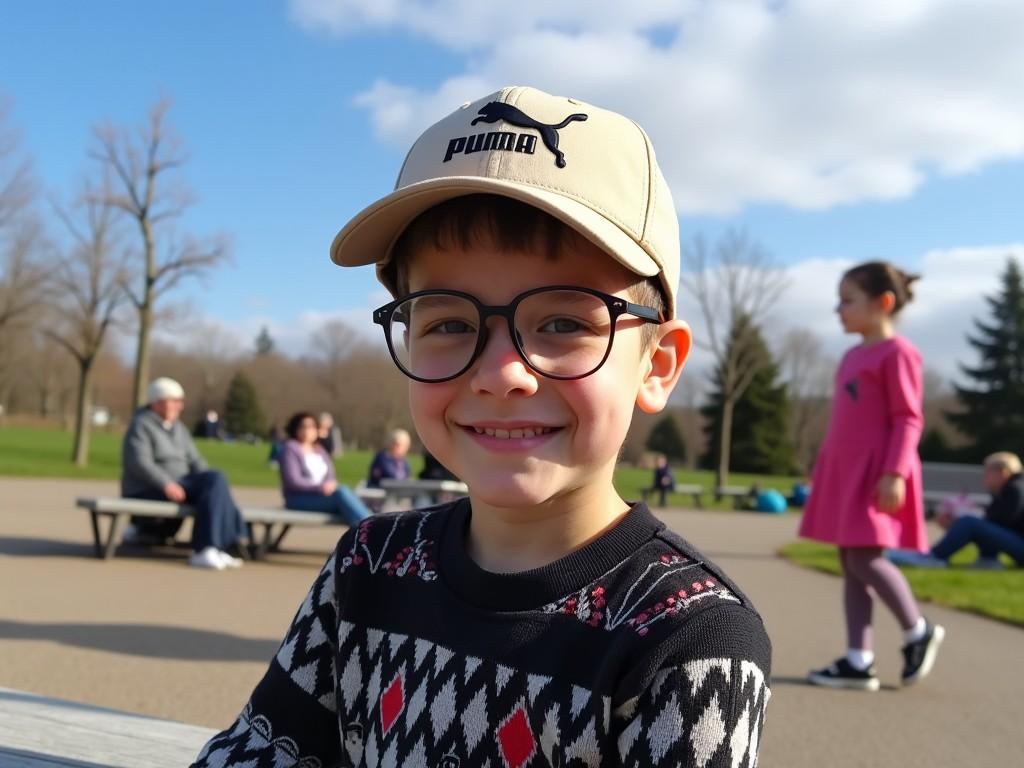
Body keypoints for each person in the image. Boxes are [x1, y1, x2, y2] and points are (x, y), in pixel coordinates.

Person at [192, 86, 770, 767]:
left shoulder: (689, 636)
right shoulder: (368, 566)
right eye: (449, 323)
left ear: (658, 364)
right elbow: (260, 752)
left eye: (563, 322)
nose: (502, 373)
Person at [799, 261, 944, 692]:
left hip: (878, 472)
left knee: (865, 558)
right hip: (846, 471)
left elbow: (908, 419)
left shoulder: (898, 353)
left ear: (882, 303)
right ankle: (859, 659)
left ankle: (918, 630)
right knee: (851, 561)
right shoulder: (851, 355)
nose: (838, 309)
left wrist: (895, 472)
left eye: (847, 300)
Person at [121, 377, 247, 570]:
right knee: (214, 482)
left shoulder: (179, 428)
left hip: (182, 483)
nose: (179, 406)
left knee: (216, 480)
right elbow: (140, 463)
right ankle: (206, 549)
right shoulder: (141, 425)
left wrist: (214, 486)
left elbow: (195, 460)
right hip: (149, 487)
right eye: (175, 401)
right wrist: (166, 484)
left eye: (180, 401)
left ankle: (216, 547)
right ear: (157, 402)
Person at [889, 452, 1024, 569]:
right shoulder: (1012, 487)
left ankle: (935, 557)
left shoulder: (1015, 489)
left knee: (969, 523)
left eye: (988, 472)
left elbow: (1000, 520)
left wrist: (959, 522)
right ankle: (988, 560)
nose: (985, 477)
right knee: (972, 524)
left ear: (1003, 472)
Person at [279, 411, 372, 526]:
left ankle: (368, 529)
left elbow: (330, 476)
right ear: (295, 429)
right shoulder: (290, 448)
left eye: (313, 426)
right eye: (304, 426)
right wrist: (320, 487)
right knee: (342, 493)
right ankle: (370, 530)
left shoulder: (319, 450)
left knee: (345, 494)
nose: (309, 429)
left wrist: (329, 485)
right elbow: (293, 481)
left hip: (323, 497)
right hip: (298, 498)